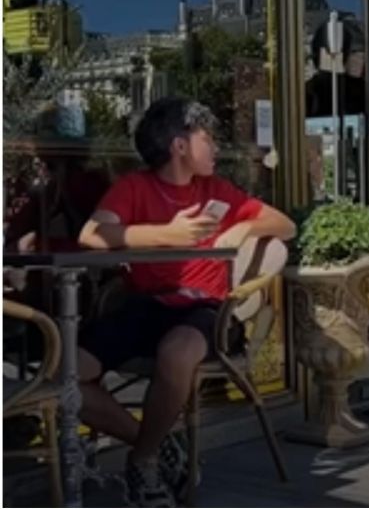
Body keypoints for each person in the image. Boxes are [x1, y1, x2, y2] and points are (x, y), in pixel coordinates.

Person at [75, 97, 296, 507]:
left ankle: (142, 458)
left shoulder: (216, 190)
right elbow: (92, 235)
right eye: (207, 137)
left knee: (177, 352)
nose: (216, 147)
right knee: (65, 376)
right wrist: (167, 235)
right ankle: (159, 442)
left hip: (204, 312)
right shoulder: (134, 188)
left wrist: (243, 228)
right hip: (145, 305)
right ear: (179, 146)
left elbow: (285, 224)